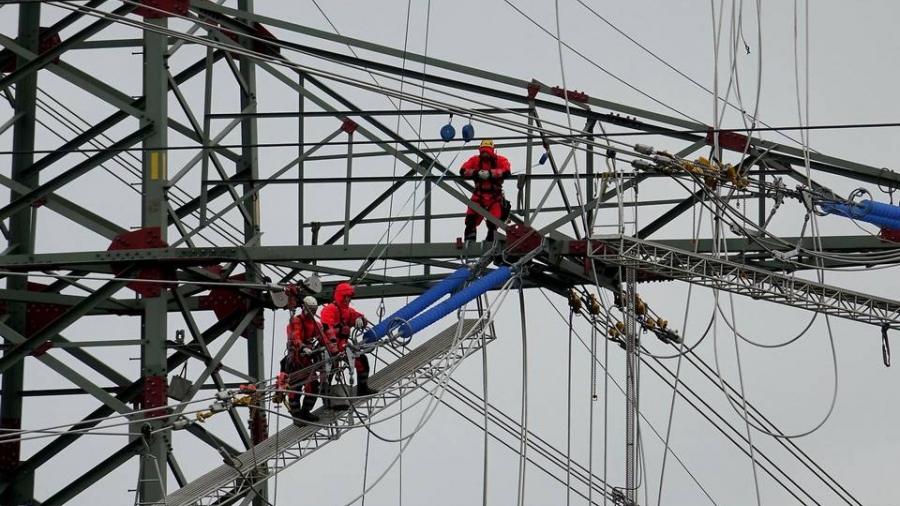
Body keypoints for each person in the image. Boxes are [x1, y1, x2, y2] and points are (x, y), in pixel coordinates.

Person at [320, 282, 377, 397]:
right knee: (329, 372)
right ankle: (326, 397)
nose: (348, 299)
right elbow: (327, 329)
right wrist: (333, 348)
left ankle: (362, 389)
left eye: (349, 296)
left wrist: (359, 319)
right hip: (329, 347)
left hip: (343, 346)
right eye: (346, 296)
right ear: (340, 296)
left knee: (362, 362)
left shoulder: (347, 311)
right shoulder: (329, 309)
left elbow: (355, 315)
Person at [460, 139, 512, 241]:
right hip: (479, 196)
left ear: (492, 151)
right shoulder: (474, 160)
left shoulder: (500, 160)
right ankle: (469, 243)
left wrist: (491, 173)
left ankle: (490, 243)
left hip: (495, 197)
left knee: (494, 223)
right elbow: (463, 170)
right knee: (471, 219)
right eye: (483, 152)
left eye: (487, 152)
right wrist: (477, 173)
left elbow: (507, 171)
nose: (485, 154)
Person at [282, 296, 324, 422]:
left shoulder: (316, 324)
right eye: (311, 309)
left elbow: (323, 338)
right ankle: (296, 415)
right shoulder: (296, 321)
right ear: (305, 308)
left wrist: (333, 348)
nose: (313, 312)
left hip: (307, 359)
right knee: (295, 388)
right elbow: (295, 337)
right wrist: (303, 347)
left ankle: (305, 412)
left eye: (315, 309)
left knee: (313, 386)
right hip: (296, 359)